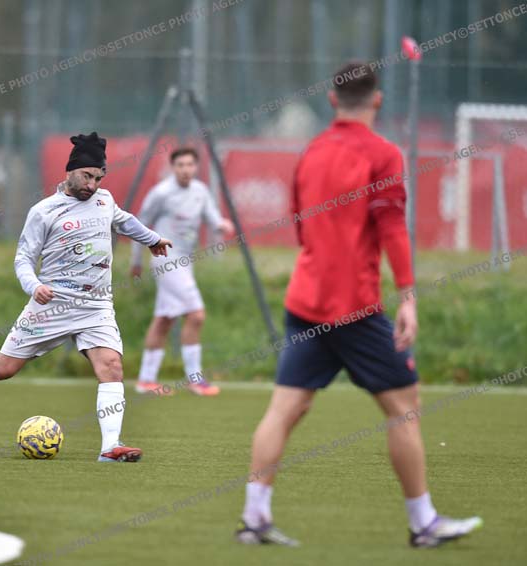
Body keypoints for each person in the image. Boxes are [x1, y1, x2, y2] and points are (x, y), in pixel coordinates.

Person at [235, 62, 482, 547]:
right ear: (378, 99)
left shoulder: (311, 151)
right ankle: (424, 524)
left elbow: (299, 222)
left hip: (305, 299)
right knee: (404, 407)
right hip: (354, 308)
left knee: (284, 409)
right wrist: (408, 296)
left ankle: (254, 518)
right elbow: (392, 227)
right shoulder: (383, 154)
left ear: (332, 100)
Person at [0, 132, 172, 463]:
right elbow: (23, 259)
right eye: (87, 176)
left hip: (96, 305)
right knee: (4, 370)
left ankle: (110, 448)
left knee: (112, 366)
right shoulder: (44, 211)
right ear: (70, 170)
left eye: (98, 178)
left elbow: (124, 221)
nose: (92, 184)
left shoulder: (104, 200)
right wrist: (34, 287)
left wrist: (152, 239)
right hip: (52, 305)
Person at [129, 147, 235, 396]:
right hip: (166, 260)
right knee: (196, 314)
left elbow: (213, 218)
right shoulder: (161, 193)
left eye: (190, 165)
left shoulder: (200, 191)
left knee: (164, 319)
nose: (185, 169)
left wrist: (222, 225)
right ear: (173, 167)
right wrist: (136, 261)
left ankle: (146, 380)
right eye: (180, 165)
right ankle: (195, 378)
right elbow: (138, 225)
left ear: (196, 167)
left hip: (185, 262)